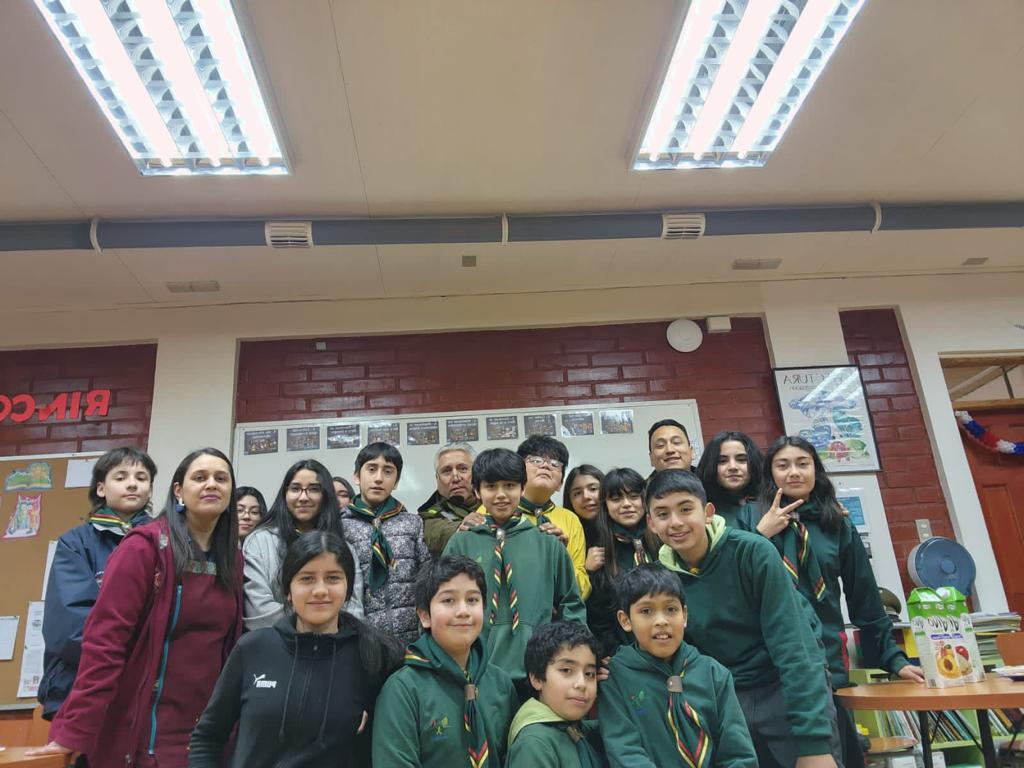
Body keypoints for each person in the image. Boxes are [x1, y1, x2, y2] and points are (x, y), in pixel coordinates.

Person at [30, 448, 243, 768]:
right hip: (144, 728)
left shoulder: (232, 558)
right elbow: (104, 643)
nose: (211, 484)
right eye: (200, 477)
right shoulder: (143, 546)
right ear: (178, 491)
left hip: (206, 731)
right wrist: (74, 729)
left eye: (221, 478)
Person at [646, 469, 841, 768]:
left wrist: (813, 743)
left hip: (784, 688)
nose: (675, 522)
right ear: (651, 523)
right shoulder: (661, 579)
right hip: (726, 700)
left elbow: (795, 648)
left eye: (685, 509)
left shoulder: (753, 552)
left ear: (708, 512)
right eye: (662, 514)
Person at [752, 436, 924, 768]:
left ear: (816, 470)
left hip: (826, 656)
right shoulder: (753, 521)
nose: (794, 472)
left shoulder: (837, 523)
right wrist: (761, 535)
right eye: (783, 465)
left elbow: (864, 595)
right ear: (769, 474)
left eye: (803, 464)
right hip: (769, 663)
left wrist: (892, 657)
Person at [189, 531, 401, 767]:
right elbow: (207, 737)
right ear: (288, 591)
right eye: (307, 579)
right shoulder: (252, 649)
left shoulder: (372, 657)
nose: (320, 590)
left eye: (333, 578)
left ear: (348, 589)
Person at [444, 448, 586, 692]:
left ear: (522, 488)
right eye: (491, 487)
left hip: (536, 671)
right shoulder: (461, 543)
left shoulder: (548, 543)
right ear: (477, 491)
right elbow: (443, 602)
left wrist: (574, 659)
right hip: (475, 671)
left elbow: (571, 604)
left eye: (509, 485)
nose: (501, 495)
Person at [38, 446, 157, 722]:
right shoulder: (75, 543)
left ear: (150, 490)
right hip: (82, 684)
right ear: (101, 489)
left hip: (147, 690)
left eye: (141, 478)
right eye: (121, 477)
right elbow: (70, 625)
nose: (132, 484)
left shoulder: (165, 541)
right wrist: (126, 661)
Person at [599, 564, 757, 767]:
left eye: (671, 609)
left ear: (685, 615)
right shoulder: (615, 679)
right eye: (646, 611)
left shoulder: (714, 674)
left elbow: (739, 754)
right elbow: (626, 753)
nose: (661, 621)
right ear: (625, 620)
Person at [372, 556, 518, 766]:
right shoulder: (403, 690)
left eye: (472, 600)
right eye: (448, 600)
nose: (463, 611)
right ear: (425, 616)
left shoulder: (501, 684)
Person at [243, 459, 363, 629]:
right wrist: (314, 626)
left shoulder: (344, 548)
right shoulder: (260, 541)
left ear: (327, 495)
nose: (303, 497)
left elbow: (354, 610)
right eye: (295, 488)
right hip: (275, 641)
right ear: (284, 494)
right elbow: (259, 611)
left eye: (314, 489)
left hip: (334, 643)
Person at [343, 442, 431, 645]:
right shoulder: (341, 526)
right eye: (371, 469)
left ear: (397, 481)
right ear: (357, 476)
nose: (379, 478)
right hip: (363, 638)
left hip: (412, 636)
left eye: (388, 471)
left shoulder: (412, 523)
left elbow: (425, 575)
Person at [507, 621, 607, 767]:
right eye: (566, 670)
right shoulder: (534, 744)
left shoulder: (580, 730)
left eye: (589, 674)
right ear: (536, 679)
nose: (582, 684)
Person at [503, 435, 591, 600]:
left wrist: (561, 559)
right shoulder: (493, 508)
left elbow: (582, 590)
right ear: (517, 473)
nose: (545, 465)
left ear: (560, 484)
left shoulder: (570, 519)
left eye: (554, 464)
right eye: (535, 460)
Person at [585, 467, 660, 657]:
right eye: (616, 499)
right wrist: (619, 656)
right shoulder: (599, 555)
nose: (626, 504)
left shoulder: (665, 541)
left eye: (634, 496)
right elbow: (599, 621)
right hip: (628, 656)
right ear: (605, 505)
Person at [418, 443, 481, 557]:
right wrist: (462, 527)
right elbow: (436, 534)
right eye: (447, 471)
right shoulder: (427, 515)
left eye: (463, 469)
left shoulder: (494, 501)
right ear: (437, 479)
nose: (455, 477)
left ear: (477, 473)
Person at [695, 431, 764, 527]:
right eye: (722, 461)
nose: (733, 467)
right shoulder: (702, 510)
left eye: (741, 460)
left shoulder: (770, 504)